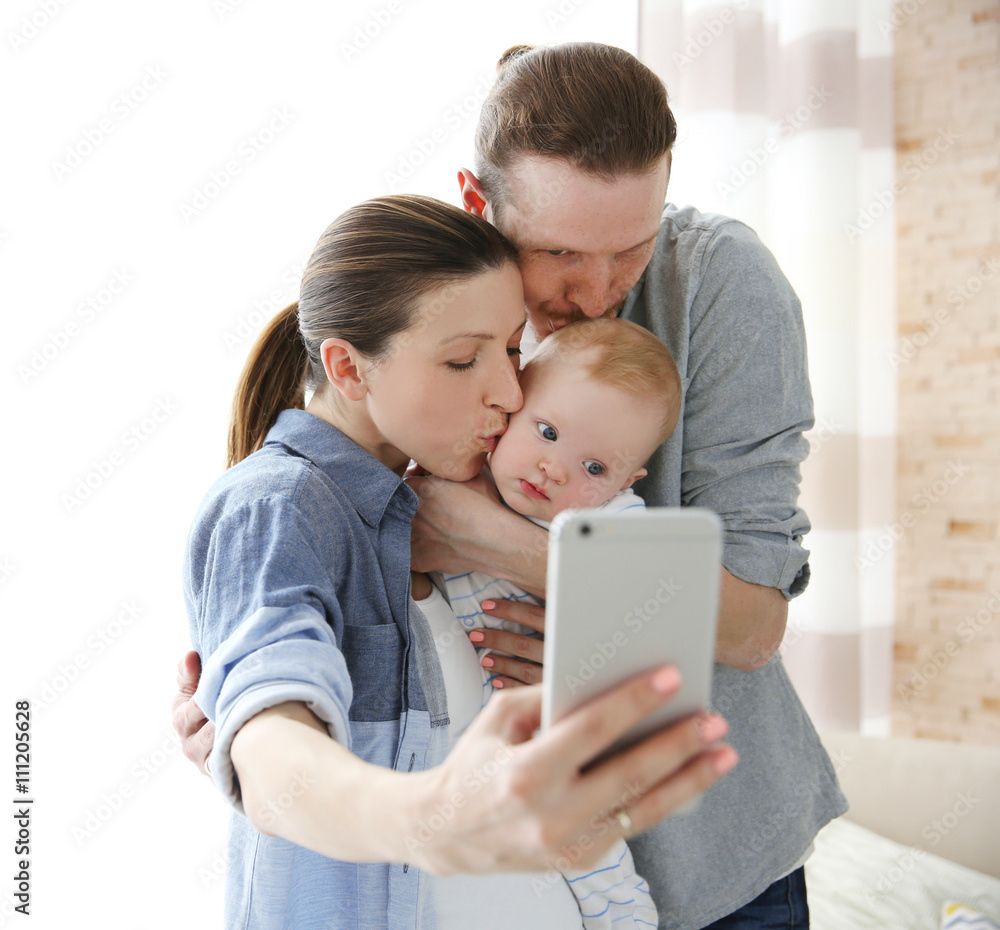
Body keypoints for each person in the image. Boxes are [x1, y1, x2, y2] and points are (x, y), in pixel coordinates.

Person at [174, 42, 847, 929]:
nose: (600, 291)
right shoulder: (440, 311)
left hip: (707, 856)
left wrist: (499, 547)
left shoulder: (720, 283)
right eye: (560, 253)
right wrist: (252, 723)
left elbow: (756, 624)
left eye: (632, 250)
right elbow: (300, 612)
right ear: (478, 202)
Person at [183, 193, 736, 930]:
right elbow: (271, 737)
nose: (509, 392)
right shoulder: (279, 504)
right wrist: (428, 818)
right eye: (462, 359)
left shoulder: (454, 503)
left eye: (512, 349)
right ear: (349, 368)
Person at [423, 316, 681, 929]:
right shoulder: (447, 479)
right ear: (509, 409)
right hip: (457, 750)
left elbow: (654, 606)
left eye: (595, 469)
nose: (555, 470)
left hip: (565, 753)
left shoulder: (615, 525)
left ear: (626, 482)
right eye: (546, 431)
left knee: (596, 867)